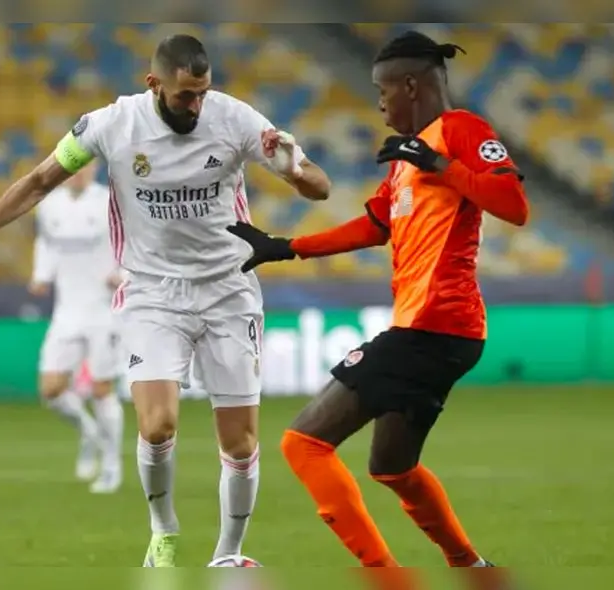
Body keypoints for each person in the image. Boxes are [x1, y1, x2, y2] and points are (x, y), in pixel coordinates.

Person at [0, 34, 331, 566]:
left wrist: (297, 167)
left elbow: (319, 188)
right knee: (157, 425)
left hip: (229, 292)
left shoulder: (235, 119)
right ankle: (163, 531)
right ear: (154, 84)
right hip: (151, 293)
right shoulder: (110, 125)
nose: (196, 105)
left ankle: (229, 552)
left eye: (203, 93)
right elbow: (42, 179)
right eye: (186, 95)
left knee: (239, 443)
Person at [226, 30, 529, 571]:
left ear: (411, 84)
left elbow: (513, 204)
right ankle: (472, 569)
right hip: (437, 331)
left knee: (303, 443)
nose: (380, 102)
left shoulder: (462, 131)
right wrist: (286, 247)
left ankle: (386, 578)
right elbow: (374, 225)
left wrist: (442, 166)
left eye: (383, 90)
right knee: (392, 467)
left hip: (434, 326)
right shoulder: (405, 158)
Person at [28, 160, 126, 494]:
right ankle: (89, 432)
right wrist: (41, 274)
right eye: (74, 167)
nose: (79, 173)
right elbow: (47, 243)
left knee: (101, 389)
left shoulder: (110, 202)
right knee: (51, 389)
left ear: (95, 168)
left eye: (85, 167)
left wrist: (124, 276)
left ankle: (112, 466)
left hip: (103, 309)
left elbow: (135, 243)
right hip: (66, 310)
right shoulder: (50, 204)